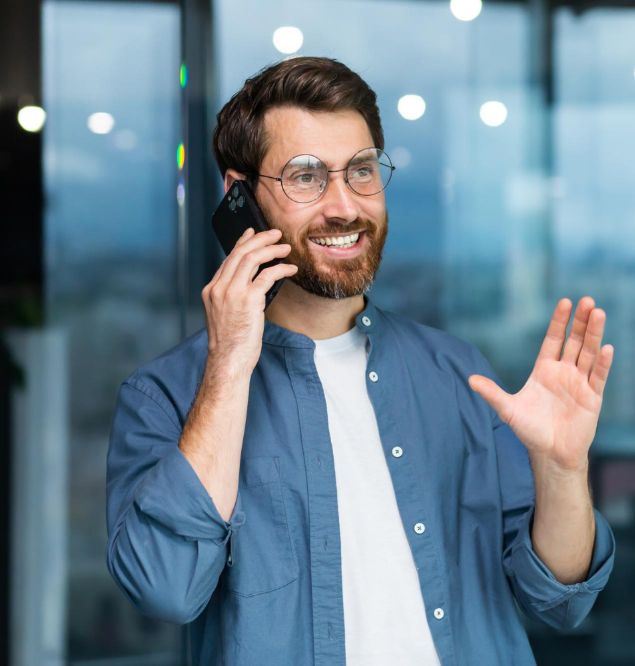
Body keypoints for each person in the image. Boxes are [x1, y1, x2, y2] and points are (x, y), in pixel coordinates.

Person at [106, 56, 616, 666]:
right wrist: (229, 367)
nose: (344, 206)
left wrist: (560, 470)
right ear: (238, 197)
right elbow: (164, 588)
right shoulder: (165, 395)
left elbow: (560, 600)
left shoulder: (458, 373)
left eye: (361, 171)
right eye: (305, 177)